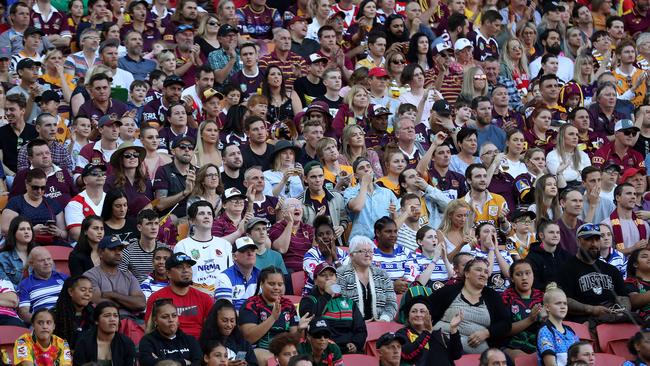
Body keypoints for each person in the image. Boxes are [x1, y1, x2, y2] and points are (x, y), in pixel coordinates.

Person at [428, 257, 512, 354]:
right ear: (467, 273)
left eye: (486, 272)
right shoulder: (449, 291)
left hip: (481, 356)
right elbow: (424, 306)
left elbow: (506, 324)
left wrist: (487, 332)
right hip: (443, 348)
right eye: (478, 270)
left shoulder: (492, 296)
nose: (483, 274)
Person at [559, 223, 631, 324]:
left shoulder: (611, 270)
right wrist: (591, 309)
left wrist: (621, 311)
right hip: (583, 322)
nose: (594, 244)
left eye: (597, 239)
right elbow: (564, 300)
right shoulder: (566, 268)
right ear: (579, 242)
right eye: (589, 239)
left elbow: (623, 297)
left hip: (612, 319)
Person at [239, 266, 312, 364]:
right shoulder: (251, 304)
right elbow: (249, 338)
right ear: (261, 283)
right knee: (271, 359)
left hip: (285, 351)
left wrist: (299, 330)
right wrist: (272, 318)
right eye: (271, 284)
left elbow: (294, 340)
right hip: (260, 350)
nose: (276, 288)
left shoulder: (288, 305)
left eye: (280, 284)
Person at [299, 262, 366, 353]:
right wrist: (327, 295)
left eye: (331, 275)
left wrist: (355, 344)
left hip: (349, 350)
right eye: (323, 275)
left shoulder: (348, 302)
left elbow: (360, 328)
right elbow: (313, 321)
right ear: (315, 281)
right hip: (323, 351)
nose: (328, 278)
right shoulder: (308, 300)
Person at [145, 252, 215, 339]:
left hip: (198, 346)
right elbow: (150, 330)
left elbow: (212, 330)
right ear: (168, 274)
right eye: (179, 267)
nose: (186, 270)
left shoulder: (205, 298)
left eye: (188, 266)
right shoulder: (157, 298)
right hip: (168, 346)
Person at [174, 200, 233, 294]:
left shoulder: (224, 244)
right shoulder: (182, 246)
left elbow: (231, 274)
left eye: (209, 214)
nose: (206, 216)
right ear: (192, 220)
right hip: (194, 296)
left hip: (222, 295)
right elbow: (180, 278)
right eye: (201, 213)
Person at [84, 234, 146, 317]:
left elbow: (141, 304)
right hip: (102, 322)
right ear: (100, 253)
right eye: (113, 249)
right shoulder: (90, 275)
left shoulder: (129, 277)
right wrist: (129, 304)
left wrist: (111, 295)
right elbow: (97, 302)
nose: (118, 253)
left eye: (120, 249)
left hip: (130, 323)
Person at [337, 235, 397, 321]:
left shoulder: (382, 275)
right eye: (363, 251)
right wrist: (357, 322)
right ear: (351, 255)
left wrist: (384, 319)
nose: (368, 254)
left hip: (380, 325)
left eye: (370, 251)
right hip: (351, 327)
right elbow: (339, 303)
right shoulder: (341, 274)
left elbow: (391, 303)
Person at [1, 168, 66, 246]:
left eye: (43, 188)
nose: (39, 191)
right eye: (35, 187)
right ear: (26, 184)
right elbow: (5, 230)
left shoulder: (52, 203)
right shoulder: (16, 202)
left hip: (51, 244)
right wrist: (30, 231)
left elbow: (65, 234)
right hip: (24, 245)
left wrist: (58, 232)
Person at [396, 297, 463, 366]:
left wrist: (453, 329)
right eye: (414, 311)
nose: (418, 315)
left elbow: (456, 354)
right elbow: (407, 354)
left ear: (430, 316)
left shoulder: (439, 335)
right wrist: (427, 333)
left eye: (422, 311)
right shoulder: (402, 334)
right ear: (408, 316)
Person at [501, 260, 544, 359]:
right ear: (512, 278)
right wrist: (530, 319)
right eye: (518, 274)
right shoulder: (505, 297)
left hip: (542, 345)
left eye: (528, 273)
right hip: (513, 346)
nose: (524, 278)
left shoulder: (543, 297)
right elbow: (504, 330)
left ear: (533, 275)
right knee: (524, 360)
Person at [139, 300, 202, 366]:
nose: (171, 320)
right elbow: (147, 362)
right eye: (165, 317)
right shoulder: (148, 341)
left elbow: (198, 362)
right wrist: (183, 362)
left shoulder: (190, 340)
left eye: (174, 315)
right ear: (155, 321)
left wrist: (161, 361)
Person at [73, 300, 137, 366]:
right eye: (107, 316)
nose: (112, 319)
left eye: (115, 316)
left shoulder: (126, 343)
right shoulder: (84, 342)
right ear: (96, 321)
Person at [17, 247, 68, 324]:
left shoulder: (64, 278)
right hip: (44, 325)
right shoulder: (25, 284)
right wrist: (43, 321)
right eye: (41, 260)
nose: (47, 262)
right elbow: (23, 313)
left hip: (67, 318)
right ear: (31, 264)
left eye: (49, 259)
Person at [197, 299, 257, 364]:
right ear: (215, 320)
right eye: (224, 320)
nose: (229, 325)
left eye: (232, 321)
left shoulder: (243, 344)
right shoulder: (205, 343)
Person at [153, 135, 197, 219]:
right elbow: (159, 204)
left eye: (190, 147)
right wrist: (185, 192)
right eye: (182, 146)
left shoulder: (198, 172)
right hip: (172, 222)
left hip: (196, 220)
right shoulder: (163, 170)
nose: (187, 149)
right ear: (173, 151)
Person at [105, 141, 153, 217]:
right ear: (120, 159)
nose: (132, 157)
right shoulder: (110, 181)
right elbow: (107, 208)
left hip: (143, 223)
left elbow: (151, 204)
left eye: (135, 154)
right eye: (127, 155)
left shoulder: (146, 181)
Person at [537, 284, 579, 366]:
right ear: (547, 307)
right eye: (558, 303)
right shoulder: (545, 331)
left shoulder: (570, 331)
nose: (563, 306)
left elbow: (580, 356)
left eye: (565, 303)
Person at [119, 209, 165, 283]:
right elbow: (119, 280)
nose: (154, 227)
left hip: (162, 291)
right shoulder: (128, 251)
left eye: (156, 223)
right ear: (139, 227)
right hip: (136, 292)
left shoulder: (165, 250)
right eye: (149, 224)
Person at [602, 183, 650, 254]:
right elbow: (605, 253)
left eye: (634, 194)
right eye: (629, 193)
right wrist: (633, 248)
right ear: (618, 198)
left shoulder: (645, 225)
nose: (633, 197)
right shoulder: (606, 225)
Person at [269, 198, 314, 273]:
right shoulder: (277, 227)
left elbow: (316, 250)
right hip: (289, 272)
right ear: (284, 213)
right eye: (292, 206)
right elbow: (281, 249)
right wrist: (290, 223)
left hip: (309, 269)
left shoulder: (308, 229)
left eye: (299, 206)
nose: (297, 208)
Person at [65, 164, 107, 242]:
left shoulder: (110, 199)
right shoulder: (75, 203)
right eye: (94, 173)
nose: (100, 176)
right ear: (85, 180)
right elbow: (76, 233)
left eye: (102, 173)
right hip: (84, 248)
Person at [215, 237, 260, 310]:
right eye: (244, 250)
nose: (250, 253)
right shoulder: (224, 277)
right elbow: (225, 311)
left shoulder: (261, 276)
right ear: (234, 256)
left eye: (252, 250)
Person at [526, 219, 572, 291]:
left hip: (567, 296)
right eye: (551, 232)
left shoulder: (566, 255)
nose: (555, 235)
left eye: (558, 232)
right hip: (544, 297)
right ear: (541, 235)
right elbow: (533, 284)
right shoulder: (532, 258)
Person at [53, 276, 94, 351]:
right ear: (70, 292)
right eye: (83, 290)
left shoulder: (93, 314)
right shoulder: (54, 315)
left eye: (90, 291)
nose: (87, 294)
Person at [469, 222, 513, 293]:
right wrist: (491, 250)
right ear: (478, 238)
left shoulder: (505, 253)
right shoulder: (473, 255)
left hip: (505, 295)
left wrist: (496, 251)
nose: (491, 234)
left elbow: (510, 275)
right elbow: (487, 273)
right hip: (484, 295)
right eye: (486, 231)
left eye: (493, 231)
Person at [0, 216, 32, 287]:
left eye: (29, 229)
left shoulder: (39, 253)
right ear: (14, 233)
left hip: (40, 293)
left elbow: (52, 277)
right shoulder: (3, 258)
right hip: (15, 295)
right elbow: (5, 285)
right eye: (22, 229)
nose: (26, 232)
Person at [624, 248, 650, 323]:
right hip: (643, 322)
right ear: (635, 264)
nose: (649, 258)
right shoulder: (630, 282)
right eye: (644, 256)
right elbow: (633, 301)